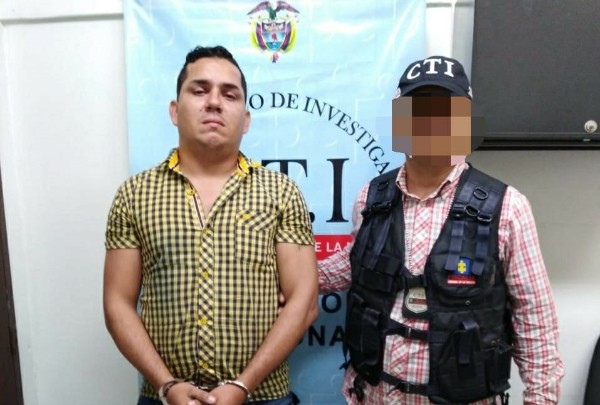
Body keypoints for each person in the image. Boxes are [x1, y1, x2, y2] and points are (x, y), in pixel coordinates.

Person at [318, 56, 564, 404]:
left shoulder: (508, 208)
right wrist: (279, 272)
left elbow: (535, 321)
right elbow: (353, 264)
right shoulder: (369, 198)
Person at [103, 45, 319, 405]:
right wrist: (167, 385)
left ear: (246, 120)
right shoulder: (134, 195)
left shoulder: (281, 192)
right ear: (175, 110)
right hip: (164, 398)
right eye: (200, 90)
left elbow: (305, 302)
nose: (215, 102)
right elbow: (117, 303)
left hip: (263, 396)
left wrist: (242, 386)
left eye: (229, 94)